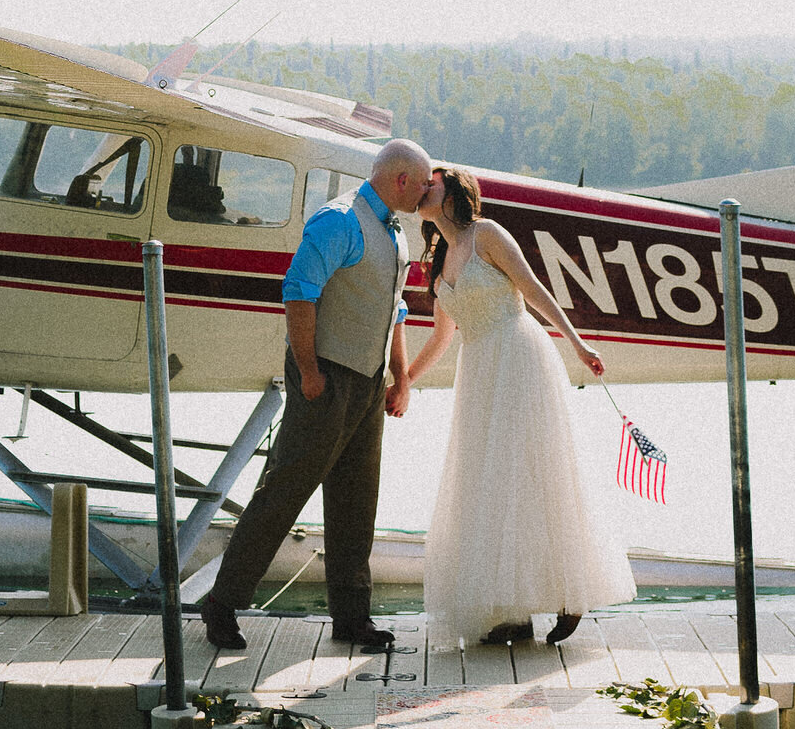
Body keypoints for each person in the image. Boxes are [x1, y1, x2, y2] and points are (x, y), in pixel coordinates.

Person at [199, 138, 435, 654]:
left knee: (356, 502)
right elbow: (298, 292)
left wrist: (401, 379)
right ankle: (221, 603)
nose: (427, 193)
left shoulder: (394, 233)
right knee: (284, 492)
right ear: (400, 180)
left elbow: (394, 313)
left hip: (368, 383)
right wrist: (307, 370)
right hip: (326, 377)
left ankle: (352, 618)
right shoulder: (339, 221)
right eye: (423, 184)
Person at [408, 164, 635, 647]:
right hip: (479, 372)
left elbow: (532, 289)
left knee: (532, 473)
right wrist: (403, 381)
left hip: (516, 355)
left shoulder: (485, 234)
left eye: (432, 181)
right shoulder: (442, 259)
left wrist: (577, 344)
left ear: (453, 193)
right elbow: (441, 338)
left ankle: (571, 594)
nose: (423, 186)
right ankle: (509, 609)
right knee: (488, 483)